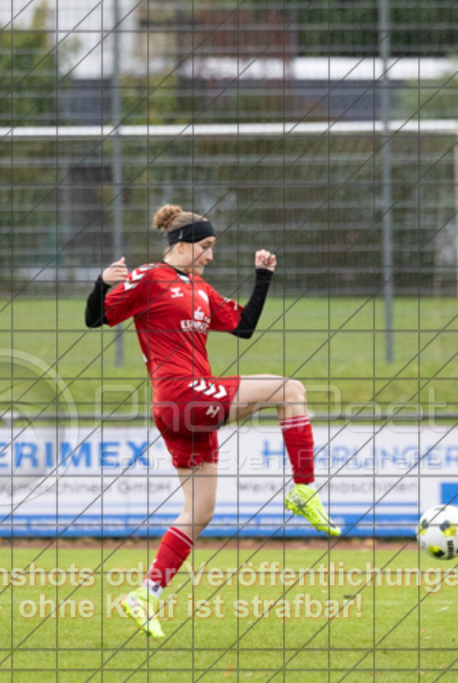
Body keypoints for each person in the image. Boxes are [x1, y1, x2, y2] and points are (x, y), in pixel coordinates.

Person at [85, 204, 339, 638]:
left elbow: (243, 326)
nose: (210, 255)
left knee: (200, 511)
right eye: (205, 246)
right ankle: (304, 489)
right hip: (182, 395)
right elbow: (96, 318)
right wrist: (100, 283)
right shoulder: (149, 277)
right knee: (290, 391)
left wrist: (263, 277)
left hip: (187, 409)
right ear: (182, 245)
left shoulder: (199, 288)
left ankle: (145, 595)